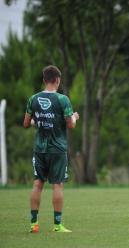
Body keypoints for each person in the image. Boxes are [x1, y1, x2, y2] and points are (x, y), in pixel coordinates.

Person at [23, 65, 80, 233]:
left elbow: (26, 123)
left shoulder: (33, 99)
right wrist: (75, 118)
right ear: (57, 80)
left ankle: (34, 224)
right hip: (57, 149)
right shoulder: (62, 100)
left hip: (39, 149)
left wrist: (38, 121)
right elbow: (70, 125)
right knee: (57, 185)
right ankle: (57, 225)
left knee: (37, 184)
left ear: (44, 80)